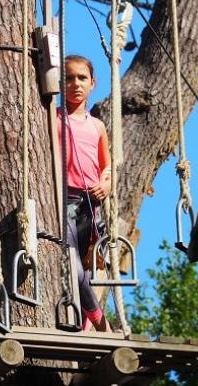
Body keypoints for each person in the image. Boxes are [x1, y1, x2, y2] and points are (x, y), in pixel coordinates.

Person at [59, 54, 113, 332]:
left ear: (93, 83)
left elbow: (108, 167)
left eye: (82, 78)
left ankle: (83, 330)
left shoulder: (97, 126)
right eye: (68, 78)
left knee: (87, 269)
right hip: (62, 200)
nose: (75, 84)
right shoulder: (52, 117)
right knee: (72, 263)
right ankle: (99, 320)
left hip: (90, 204)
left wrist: (106, 184)